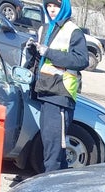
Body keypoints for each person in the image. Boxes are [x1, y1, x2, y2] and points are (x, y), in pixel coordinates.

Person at [28, 0, 88, 171]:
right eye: (49, 5)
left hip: (61, 95)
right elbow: (40, 61)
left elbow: (81, 60)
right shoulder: (44, 29)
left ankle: (49, 188)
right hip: (45, 92)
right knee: (51, 146)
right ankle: (57, 186)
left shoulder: (73, 31)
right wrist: (32, 51)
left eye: (56, 5)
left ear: (64, 8)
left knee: (54, 149)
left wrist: (49, 52)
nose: (51, 9)